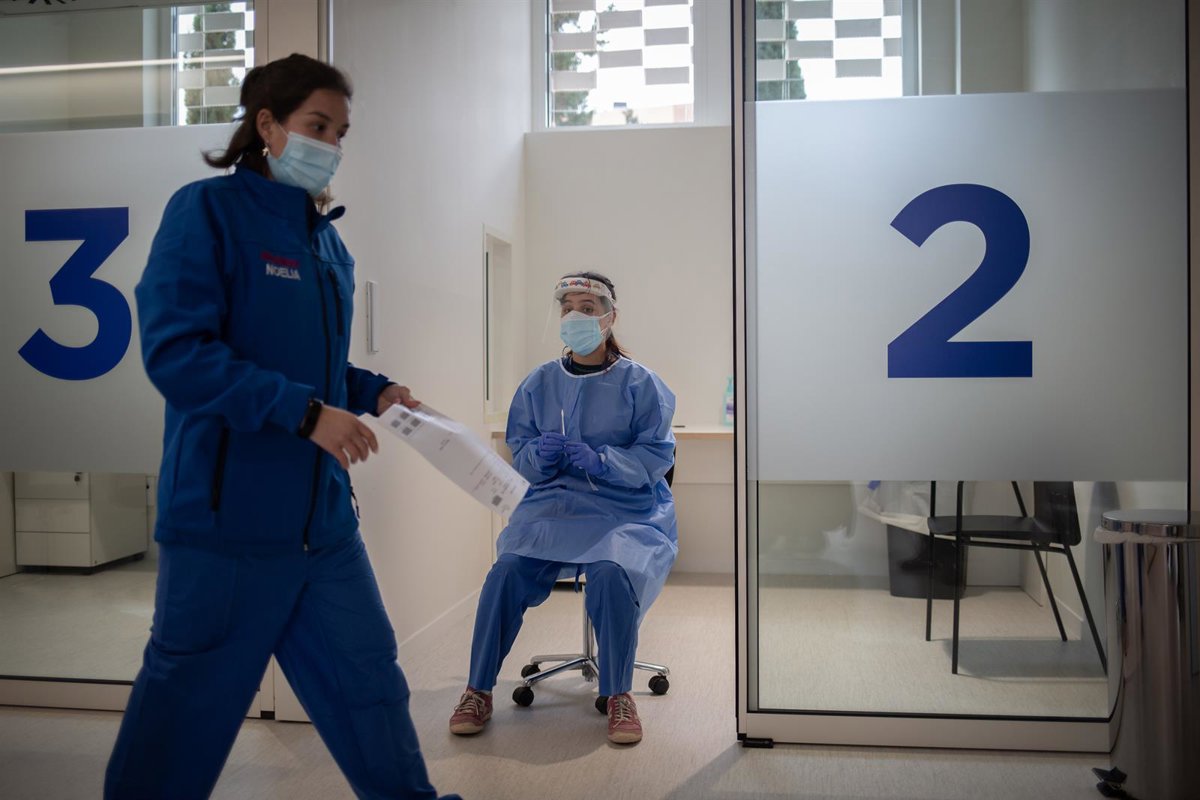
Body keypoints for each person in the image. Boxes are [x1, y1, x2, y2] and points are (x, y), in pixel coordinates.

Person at [104, 54, 459, 800]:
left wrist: (377, 392)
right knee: (184, 715)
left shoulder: (326, 243)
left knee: (371, 687)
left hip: (322, 528)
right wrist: (304, 414)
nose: (330, 145)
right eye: (316, 126)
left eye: (340, 132)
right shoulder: (207, 213)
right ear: (267, 125)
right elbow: (178, 353)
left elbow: (319, 370)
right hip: (225, 529)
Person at [448, 272, 677, 745]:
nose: (576, 316)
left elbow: (657, 455)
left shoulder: (641, 384)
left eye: (587, 308)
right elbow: (521, 454)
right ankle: (478, 689)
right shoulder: (539, 383)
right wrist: (539, 455)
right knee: (506, 572)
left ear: (610, 317)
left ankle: (618, 693)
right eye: (568, 307)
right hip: (553, 508)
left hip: (624, 510)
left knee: (612, 573)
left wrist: (605, 461)